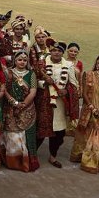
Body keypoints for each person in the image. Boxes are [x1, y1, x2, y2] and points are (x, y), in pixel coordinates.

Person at [35, 40, 79, 168]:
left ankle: (53, 156)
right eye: (54, 50)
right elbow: (34, 80)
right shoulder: (41, 64)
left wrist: (66, 90)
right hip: (44, 102)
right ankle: (32, 156)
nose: (56, 53)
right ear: (50, 51)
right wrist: (44, 83)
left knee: (59, 133)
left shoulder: (69, 66)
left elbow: (74, 85)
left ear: (62, 53)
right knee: (41, 131)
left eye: (59, 51)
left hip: (60, 104)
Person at [3, 50, 38, 172]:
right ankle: (13, 161)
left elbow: (33, 91)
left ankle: (27, 162)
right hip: (11, 107)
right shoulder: (8, 72)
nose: (22, 62)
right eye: (19, 59)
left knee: (26, 135)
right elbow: (4, 89)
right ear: (15, 61)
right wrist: (13, 102)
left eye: (24, 60)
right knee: (12, 135)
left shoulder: (31, 74)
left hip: (27, 109)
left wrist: (23, 104)